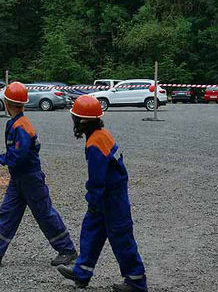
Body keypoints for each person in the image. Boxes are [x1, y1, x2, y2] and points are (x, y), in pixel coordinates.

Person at [0, 81, 77, 267]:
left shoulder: (22, 126)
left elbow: (19, 155)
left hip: (30, 178)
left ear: (7, 103)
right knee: (8, 212)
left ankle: (67, 250)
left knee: (44, 214)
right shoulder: (17, 123)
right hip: (19, 178)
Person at [57, 96, 147, 291]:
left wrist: (93, 200)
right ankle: (82, 272)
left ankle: (136, 281)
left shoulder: (95, 144)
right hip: (110, 195)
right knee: (91, 231)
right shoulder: (102, 134)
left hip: (111, 199)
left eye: (75, 117)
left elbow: (97, 179)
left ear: (82, 121)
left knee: (121, 237)